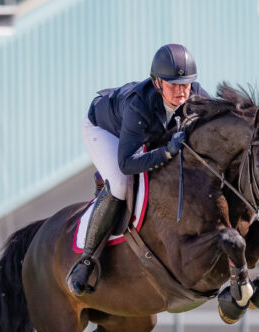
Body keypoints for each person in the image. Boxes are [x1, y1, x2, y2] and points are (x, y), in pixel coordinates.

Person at [67, 43, 210, 295]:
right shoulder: (138, 105)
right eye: (173, 85)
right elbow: (128, 163)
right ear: (157, 83)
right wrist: (166, 152)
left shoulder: (195, 93)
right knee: (120, 184)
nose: (181, 92)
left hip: (142, 133)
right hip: (104, 129)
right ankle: (88, 259)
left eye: (186, 84)